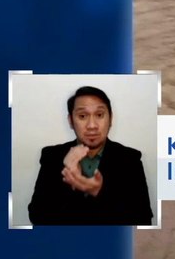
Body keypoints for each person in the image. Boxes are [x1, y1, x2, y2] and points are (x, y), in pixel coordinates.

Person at [27, 86, 153, 226]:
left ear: (110, 119)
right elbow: (37, 215)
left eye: (99, 115)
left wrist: (99, 192)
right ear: (70, 121)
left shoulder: (130, 159)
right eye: (82, 116)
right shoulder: (52, 157)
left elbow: (143, 218)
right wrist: (67, 174)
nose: (92, 125)